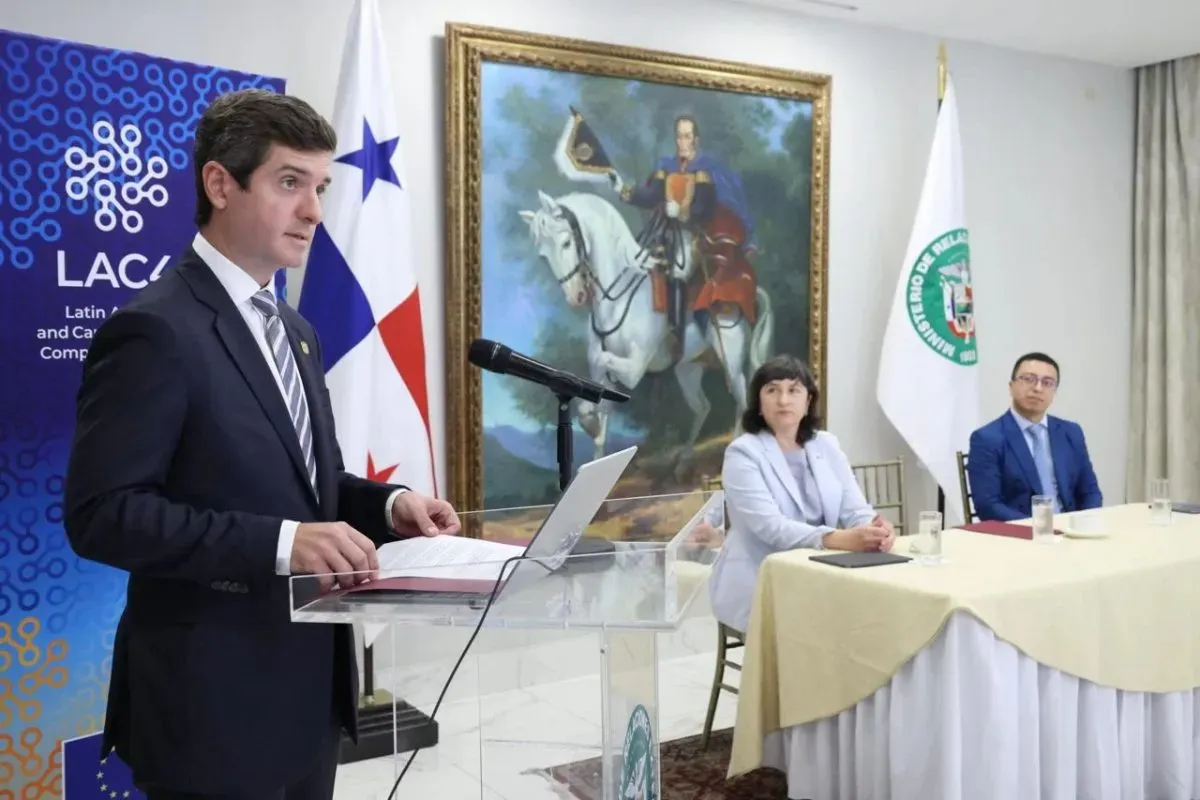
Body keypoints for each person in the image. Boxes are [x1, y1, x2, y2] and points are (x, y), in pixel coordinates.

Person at [63, 89, 460, 800]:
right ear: (220, 184)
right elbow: (103, 515)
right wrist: (282, 543)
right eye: (290, 183)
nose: (314, 211)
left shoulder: (295, 330)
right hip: (210, 708)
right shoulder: (154, 331)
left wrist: (389, 505)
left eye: (321, 187)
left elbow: (311, 485)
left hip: (309, 697)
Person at [707, 355, 894, 634]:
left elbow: (855, 509)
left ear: (808, 402)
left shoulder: (826, 444)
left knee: (881, 620)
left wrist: (875, 529)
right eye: (772, 390)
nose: (783, 400)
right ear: (758, 403)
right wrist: (838, 538)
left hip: (823, 573)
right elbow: (771, 528)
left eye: (793, 390)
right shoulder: (742, 453)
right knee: (840, 629)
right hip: (762, 579)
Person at [611, 114, 759, 357]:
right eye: (679, 136)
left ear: (696, 140)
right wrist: (625, 191)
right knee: (640, 262)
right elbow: (651, 196)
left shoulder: (704, 172)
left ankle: (676, 335)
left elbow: (704, 207)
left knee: (678, 268)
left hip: (693, 235)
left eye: (687, 136)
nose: (682, 141)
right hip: (663, 233)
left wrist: (682, 212)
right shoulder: (666, 168)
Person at [967, 351, 1102, 522]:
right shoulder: (987, 438)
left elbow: (1090, 492)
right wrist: (1040, 528)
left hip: (1070, 530)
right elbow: (988, 506)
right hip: (1019, 533)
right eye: (1028, 379)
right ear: (1011, 386)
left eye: (1047, 382)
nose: (1038, 388)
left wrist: (1082, 523)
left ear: (1054, 391)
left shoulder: (1071, 432)